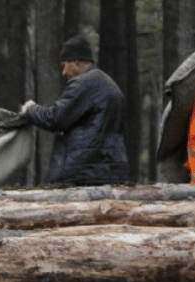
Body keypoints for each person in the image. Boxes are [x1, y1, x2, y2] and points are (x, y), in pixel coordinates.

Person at [20, 36, 129, 186]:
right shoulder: (109, 85)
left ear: (76, 62)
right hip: (110, 171)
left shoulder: (83, 83)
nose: (64, 72)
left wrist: (30, 109)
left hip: (83, 173)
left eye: (65, 65)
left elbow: (55, 118)